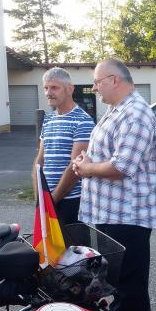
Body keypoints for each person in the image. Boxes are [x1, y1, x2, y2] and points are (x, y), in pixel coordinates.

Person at [71, 58, 156, 311]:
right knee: (117, 286)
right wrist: (87, 160)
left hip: (127, 218)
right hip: (111, 215)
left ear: (115, 80)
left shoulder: (135, 114)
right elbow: (109, 156)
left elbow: (123, 166)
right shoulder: (116, 111)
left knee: (129, 289)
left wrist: (86, 169)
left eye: (98, 82)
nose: (95, 88)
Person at [33, 67, 95, 226]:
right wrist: (39, 198)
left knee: (72, 249)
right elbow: (40, 161)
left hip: (71, 201)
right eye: (46, 88)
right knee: (49, 249)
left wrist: (52, 201)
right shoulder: (48, 119)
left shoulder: (83, 121)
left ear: (70, 89)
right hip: (47, 199)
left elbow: (75, 168)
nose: (48, 92)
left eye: (54, 87)